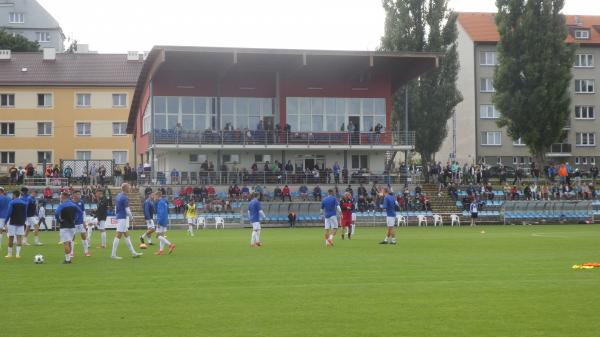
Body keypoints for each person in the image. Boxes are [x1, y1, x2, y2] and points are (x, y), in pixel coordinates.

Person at [111, 183, 142, 259]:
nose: (130, 189)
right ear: (125, 188)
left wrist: (116, 215)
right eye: (129, 187)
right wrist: (132, 218)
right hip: (122, 218)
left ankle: (133, 253)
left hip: (120, 217)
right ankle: (113, 254)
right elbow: (127, 210)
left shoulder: (118, 196)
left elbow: (116, 207)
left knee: (127, 235)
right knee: (118, 235)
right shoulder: (124, 197)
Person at [55, 192, 83, 264]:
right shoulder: (73, 204)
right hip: (72, 226)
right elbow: (80, 212)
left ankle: (67, 260)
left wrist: (59, 220)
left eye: (61, 196)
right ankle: (68, 258)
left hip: (64, 226)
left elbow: (56, 213)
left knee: (66, 243)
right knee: (70, 242)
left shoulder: (62, 205)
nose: (60, 197)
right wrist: (75, 219)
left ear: (64, 197)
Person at [4, 190, 28, 259]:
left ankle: (9, 254)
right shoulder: (24, 203)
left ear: (14, 195)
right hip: (21, 222)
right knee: (19, 238)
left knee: (11, 238)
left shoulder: (12, 202)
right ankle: (17, 255)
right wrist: (24, 221)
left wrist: (5, 221)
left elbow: (9, 213)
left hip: (13, 222)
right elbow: (25, 213)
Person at [72, 190, 90, 257]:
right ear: (74, 194)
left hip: (80, 222)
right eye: (77, 194)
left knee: (84, 236)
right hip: (73, 223)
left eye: (79, 194)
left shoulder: (81, 202)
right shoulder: (70, 202)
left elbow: (83, 212)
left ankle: (86, 252)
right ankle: (71, 252)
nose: (79, 196)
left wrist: (84, 222)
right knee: (72, 237)